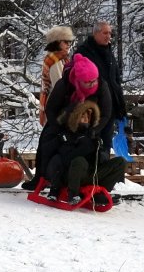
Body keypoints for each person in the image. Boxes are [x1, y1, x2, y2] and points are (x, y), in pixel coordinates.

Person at [34, 53, 121, 204]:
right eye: (88, 82)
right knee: (54, 150)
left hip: (92, 122)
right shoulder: (64, 84)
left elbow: (106, 113)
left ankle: (98, 189)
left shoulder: (101, 85)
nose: (92, 84)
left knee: (97, 153)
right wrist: (61, 130)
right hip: (64, 121)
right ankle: (51, 182)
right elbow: (51, 109)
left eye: (94, 80)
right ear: (79, 80)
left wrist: (94, 130)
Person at [74, 21, 126, 156]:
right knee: (90, 143)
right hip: (92, 108)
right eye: (105, 33)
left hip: (110, 107)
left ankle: (104, 174)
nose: (108, 36)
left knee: (106, 145)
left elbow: (115, 81)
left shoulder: (109, 53)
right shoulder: (84, 52)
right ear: (95, 33)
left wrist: (120, 105)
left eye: (110, 33)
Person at [40, 25, 74, 126]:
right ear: (57, 42)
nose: (68, 44)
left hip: (55, 103)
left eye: (69, 42)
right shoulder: (55, 60)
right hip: (57, 105)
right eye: (65, 41)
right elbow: (59, 86)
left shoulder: (61, 58)